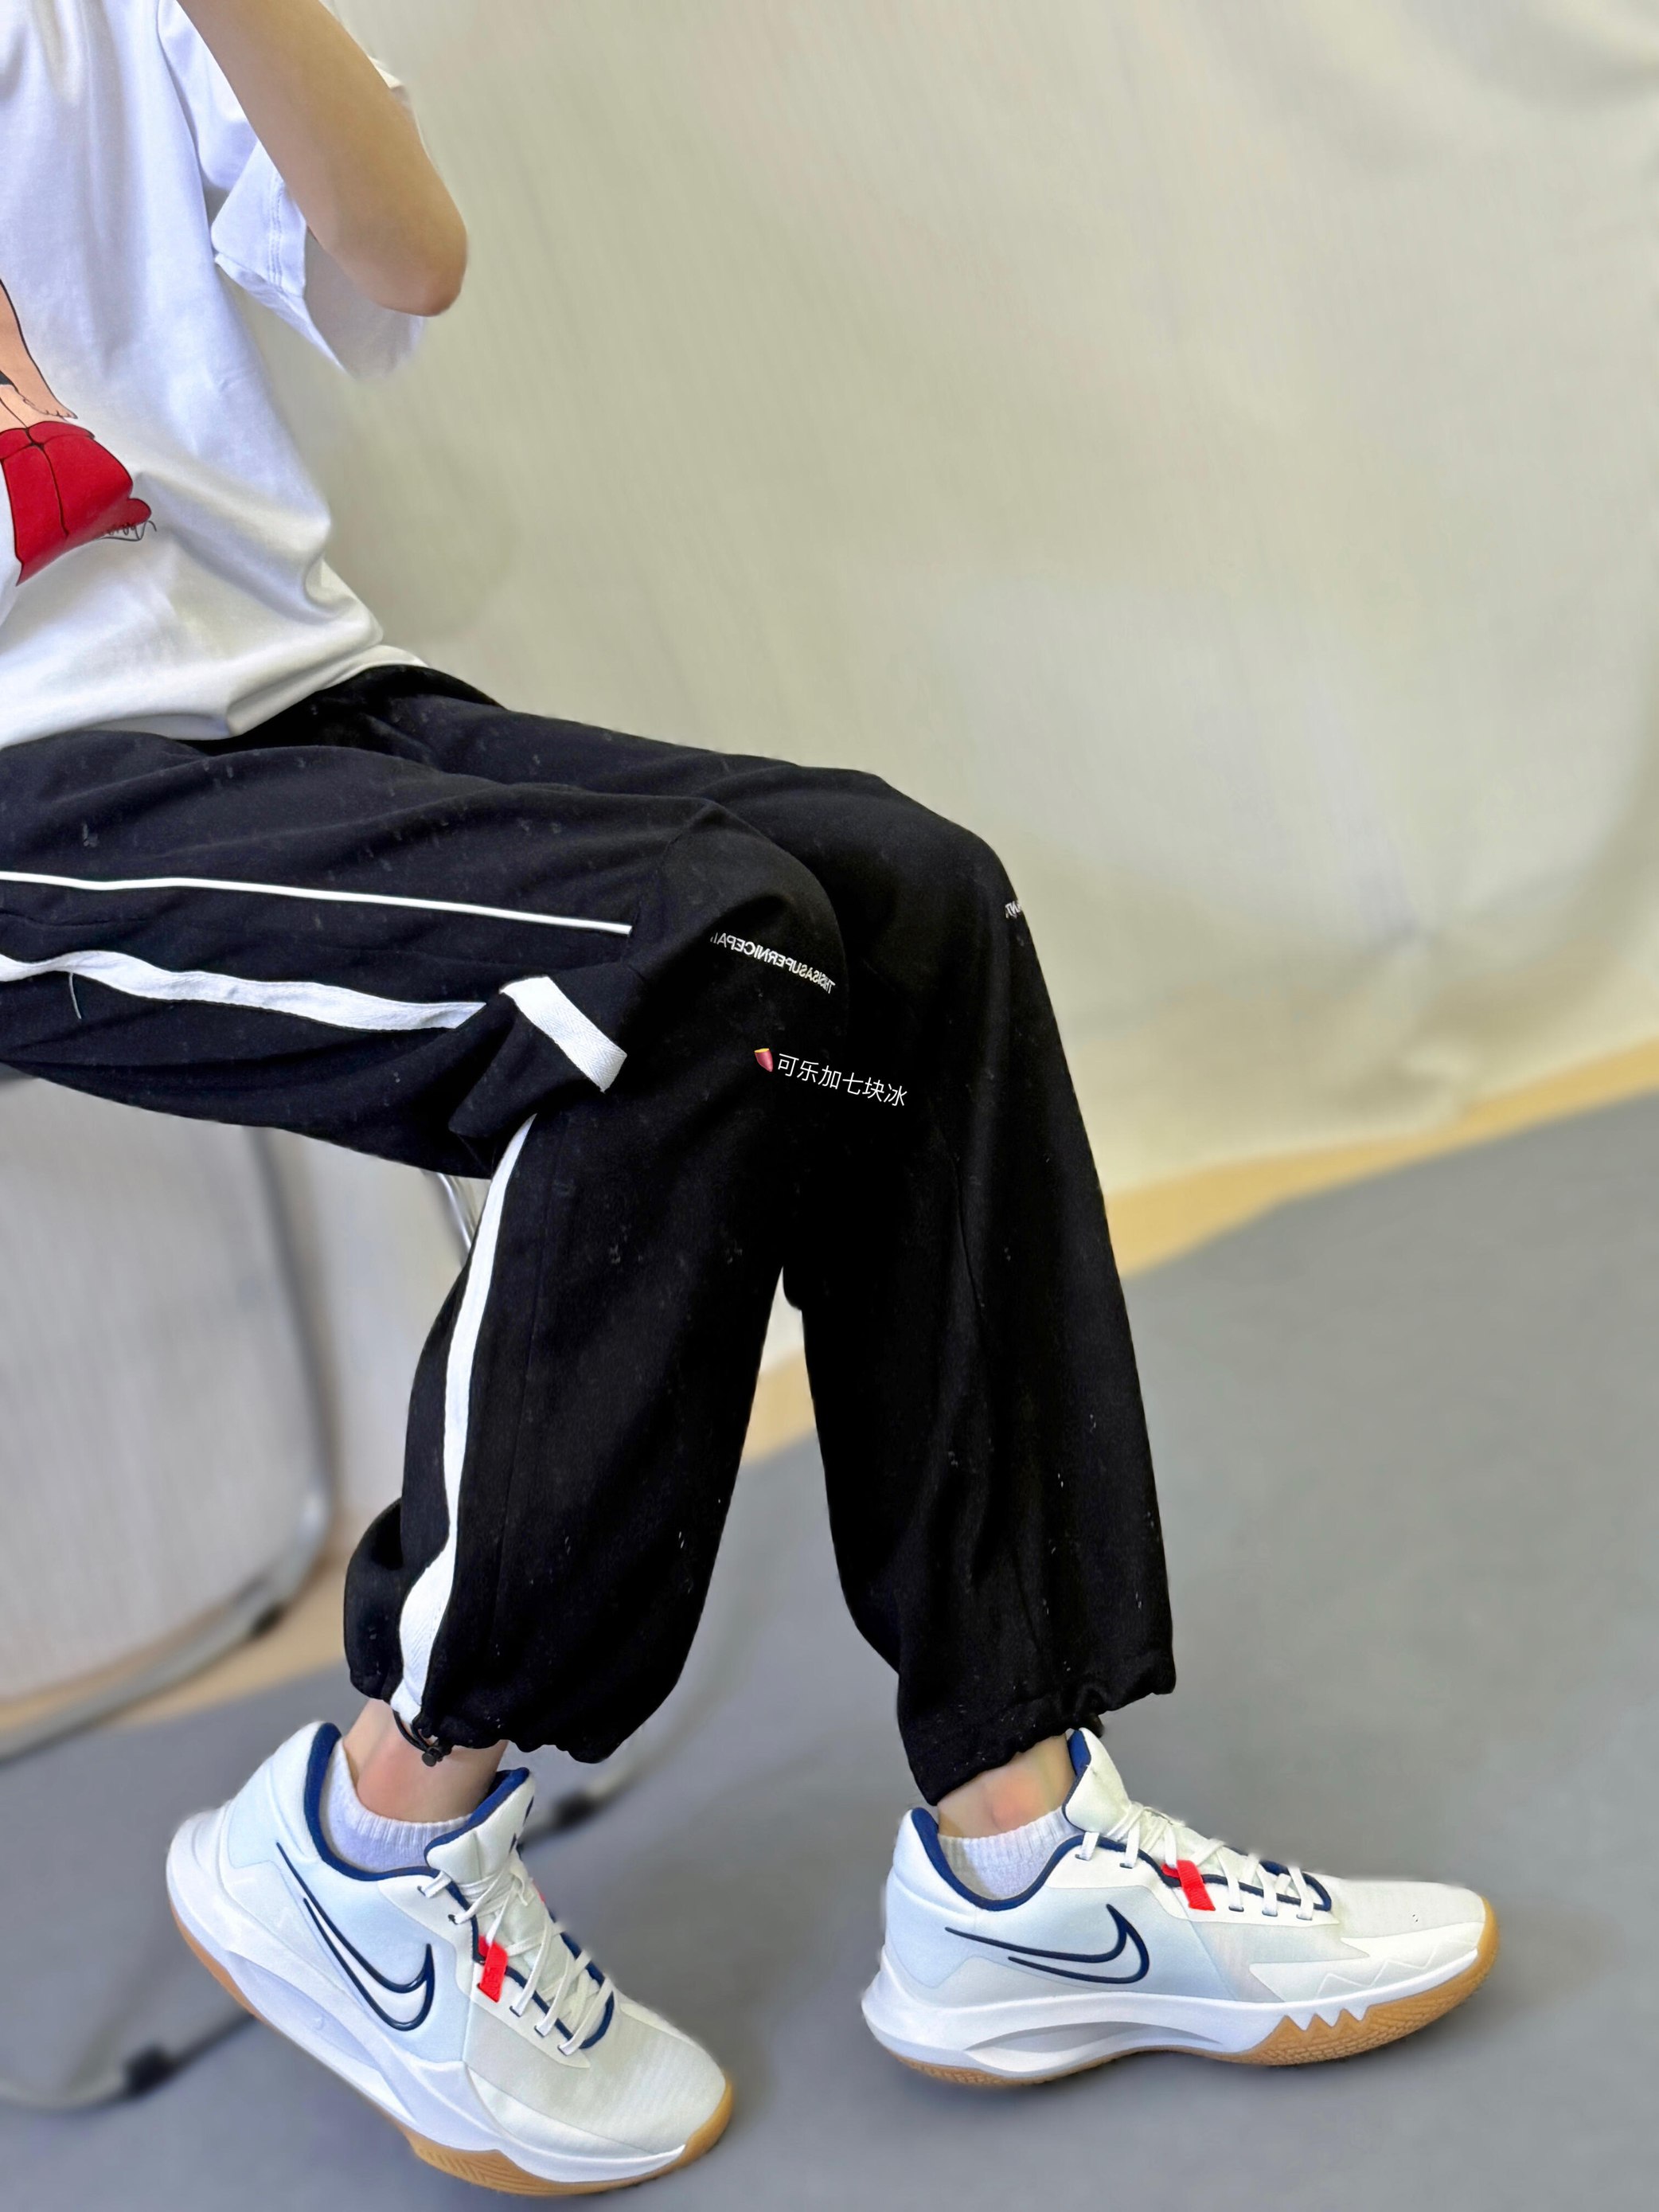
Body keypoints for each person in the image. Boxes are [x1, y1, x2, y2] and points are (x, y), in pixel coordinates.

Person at [1, 2, 1497, 2194]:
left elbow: (406, 258)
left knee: (901, 906)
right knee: (683, 969)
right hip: (28, 780)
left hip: (282, 694)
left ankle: (1015, 1847)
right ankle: (383, 1825)